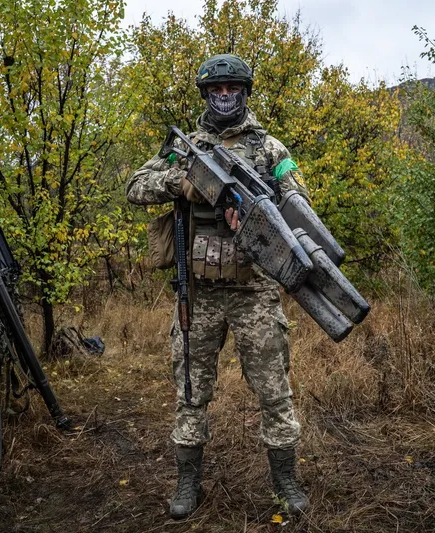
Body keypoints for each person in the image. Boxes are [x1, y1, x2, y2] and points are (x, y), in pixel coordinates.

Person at [126, 54, 310, 519]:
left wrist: (265, 204)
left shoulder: (269, 147)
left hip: (255, 290)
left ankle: (285, 481)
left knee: (274, 390)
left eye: (233, 90)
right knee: (191, 389)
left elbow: (297, 194)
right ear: (207, 96)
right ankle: (188, 481)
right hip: (200, 292)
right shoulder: (186, 147)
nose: (225, 97)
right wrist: (180, 182)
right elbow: (135, 186)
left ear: (245, 93)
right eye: (216, 91)